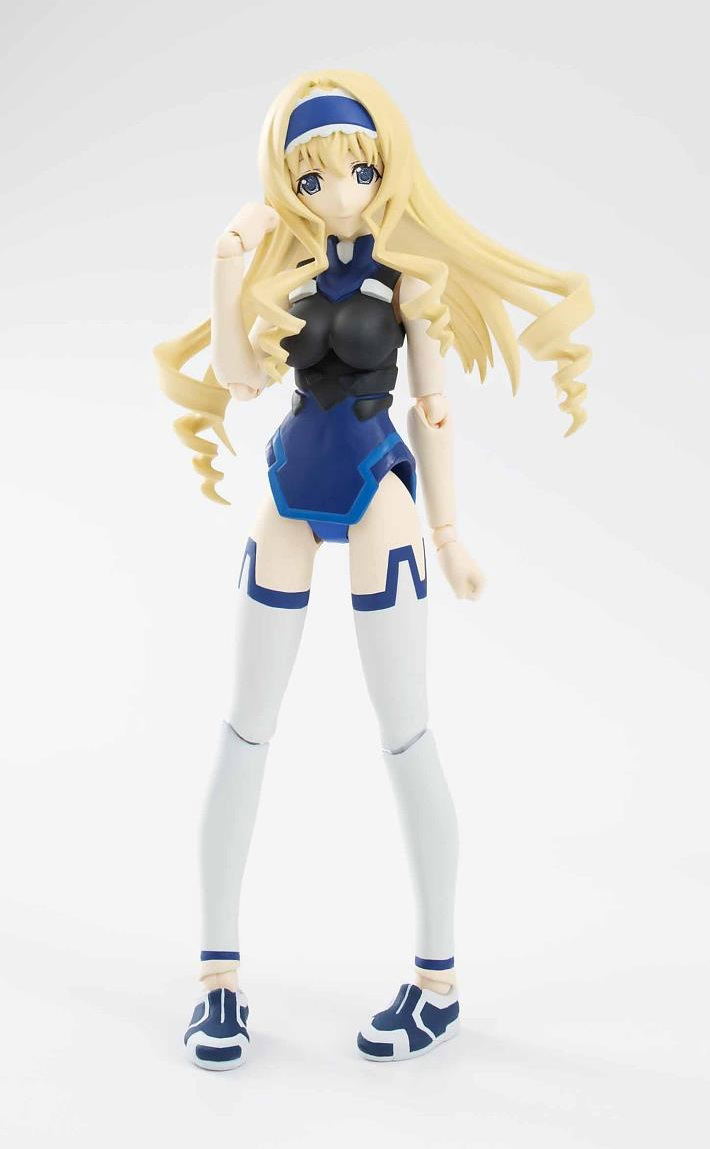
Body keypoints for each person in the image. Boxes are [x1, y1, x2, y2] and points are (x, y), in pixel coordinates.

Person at [155, 69, 592, 1070]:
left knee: (405, 733)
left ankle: (436, 982)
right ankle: (217, 979)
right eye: (313, 177)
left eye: (356, 169)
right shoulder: (284, 275)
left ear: (385, 165)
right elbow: (239, 377)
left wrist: (450, 531)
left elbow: (431, 406)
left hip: (376, 490)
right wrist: (227, 264)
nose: (340, 191)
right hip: (290, 483)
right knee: (244, 726)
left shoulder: (406, 280)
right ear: (288, 182)